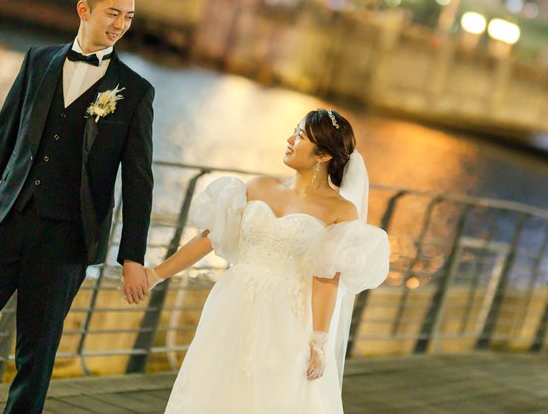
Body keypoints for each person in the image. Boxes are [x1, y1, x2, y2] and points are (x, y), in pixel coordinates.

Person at [0, 0, 156, 414]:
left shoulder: (135, 91)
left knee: (35, 360)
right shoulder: (38, 61)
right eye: (113, 13)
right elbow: (2, 140)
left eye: (128, 17)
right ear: (84, 10)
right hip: (5, 223)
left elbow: (138, 180)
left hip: (66, 242)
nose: (120, 25)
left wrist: (132, 257)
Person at [139, 108, 389, 414]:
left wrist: (318, 343)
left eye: (300, 136)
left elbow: (327, 281)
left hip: (286, 318)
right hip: (232, 304)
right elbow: (208, 239)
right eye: (294, 131)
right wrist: (154, 275)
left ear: (323, 155)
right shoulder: (259, 186)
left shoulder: (340, 210)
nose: (289, 139)